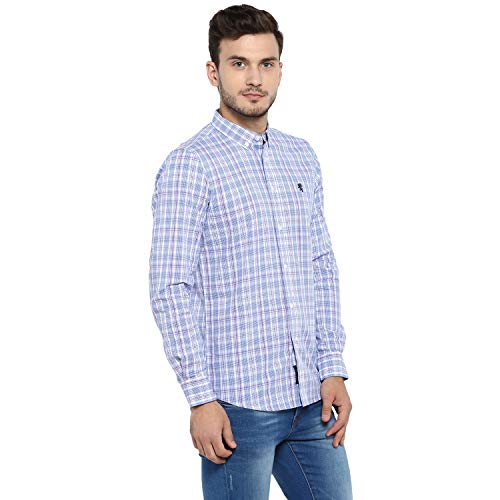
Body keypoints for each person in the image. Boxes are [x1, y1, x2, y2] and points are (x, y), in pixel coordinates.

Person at [149, 4, 353, 499]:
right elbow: (171, 288)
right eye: (239, 63)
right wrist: (200, 398)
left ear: (281, 69)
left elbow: (321, 265)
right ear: (213, 72)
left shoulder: (300, 155)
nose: (254, 78)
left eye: (266, 63)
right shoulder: (190, 165)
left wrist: (332, 365)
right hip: (237, 407)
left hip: (311, 402)